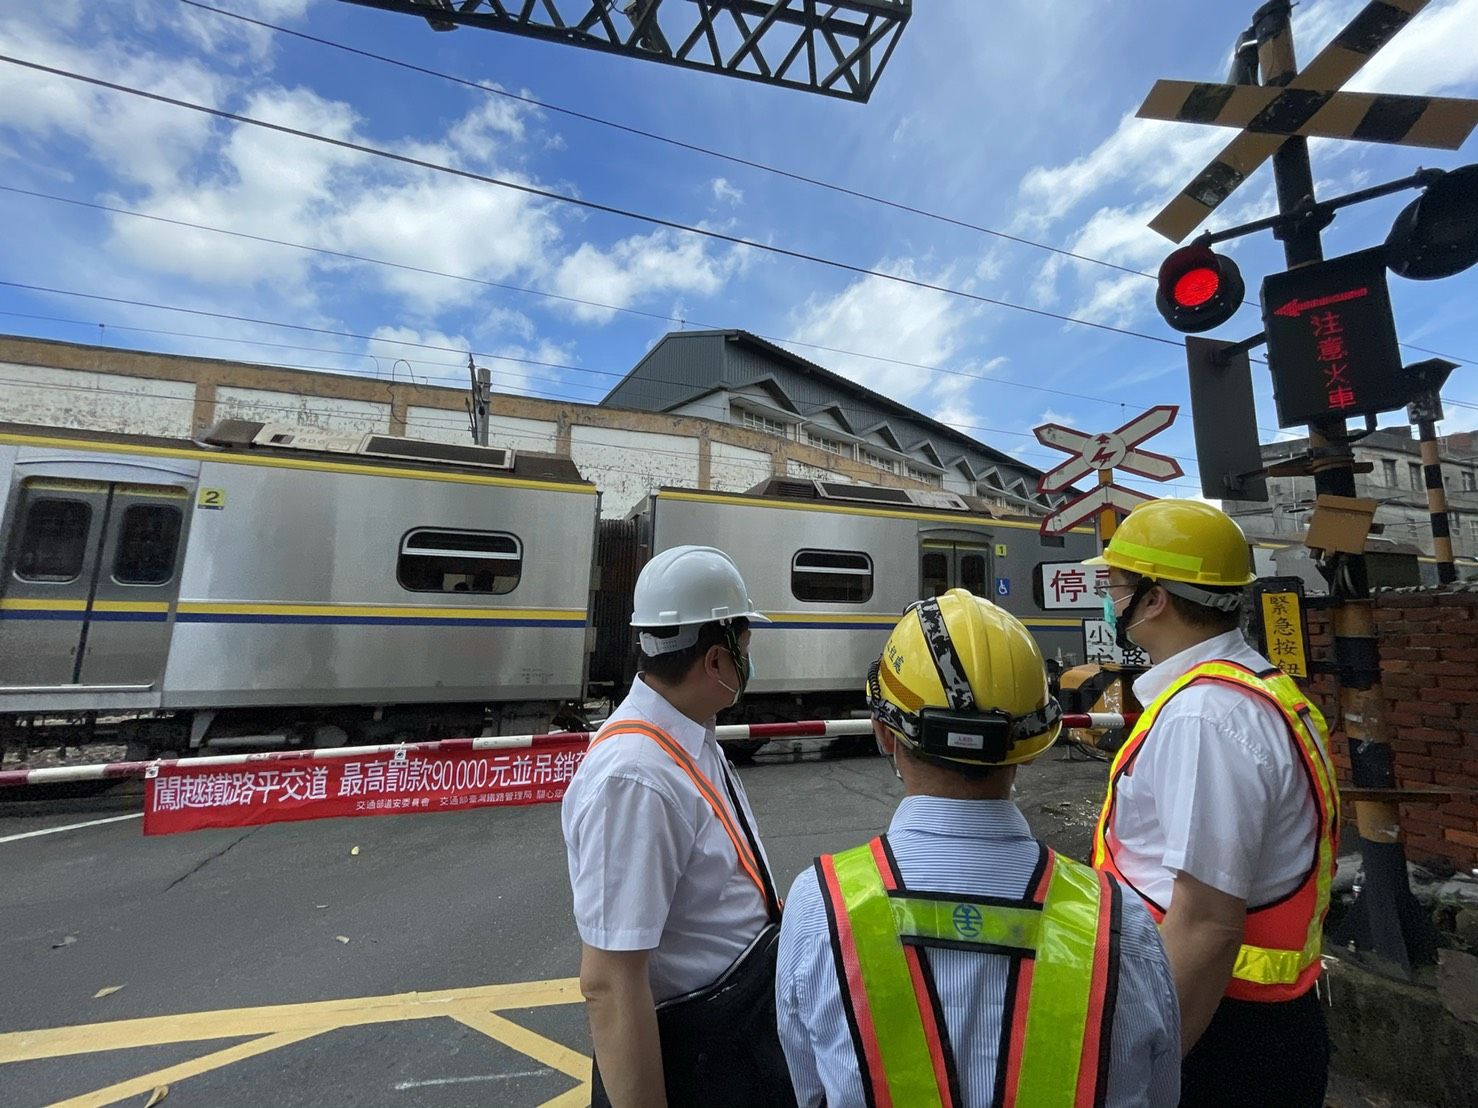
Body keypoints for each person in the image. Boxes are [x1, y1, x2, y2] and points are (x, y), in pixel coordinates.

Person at [777, 588, 1181, 1107]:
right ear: (1033, 748)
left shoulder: (820, 907)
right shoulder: (1120, 924)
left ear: (883, 733)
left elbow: (810, 1091)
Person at [1087, 499, 1340, 1107]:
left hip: (1220, 1033)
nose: (1110, 600)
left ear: (1155, 600)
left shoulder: (1205, 715)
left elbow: (1207, 922)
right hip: (1243, 1022)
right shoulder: (1251, 689)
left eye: (1117, 588)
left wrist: (1142, 1072)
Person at [561, 545, 794, 1108]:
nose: (749, 660)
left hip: (728, 1040)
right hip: (695, 1057)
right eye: (744, 646)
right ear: (715, 662)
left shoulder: (687, 737)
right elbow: (610, 984)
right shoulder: (636, 778)